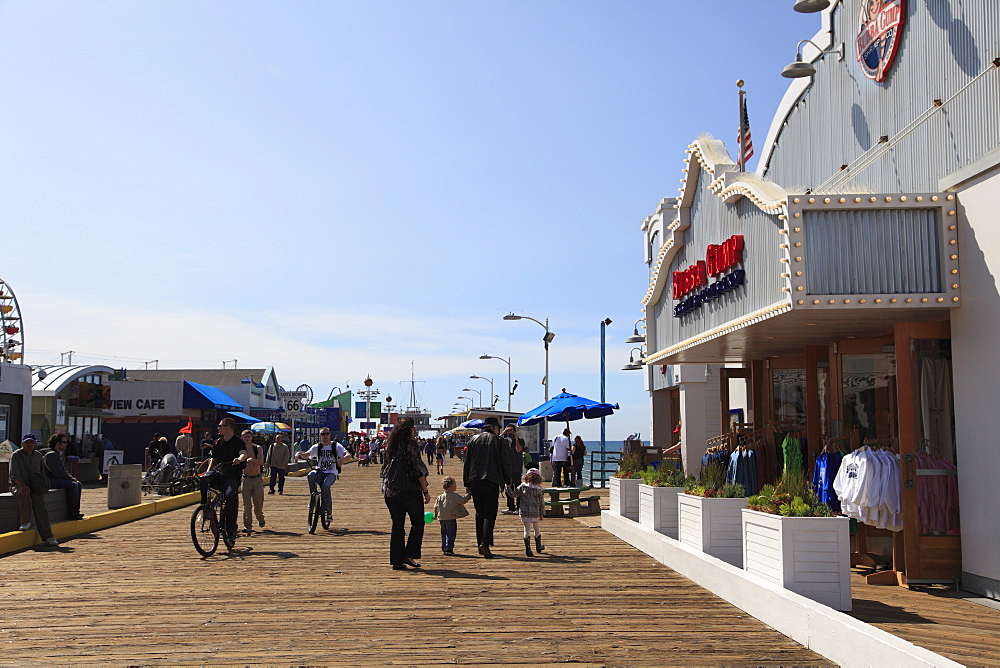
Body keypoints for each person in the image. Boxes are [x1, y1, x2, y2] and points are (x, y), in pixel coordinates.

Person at [380, 416, 430, 570]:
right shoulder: (411, 445)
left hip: (390, 490)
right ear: (410, 430)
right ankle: (409, 554)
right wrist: (425, 491)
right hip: (408, 490)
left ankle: (396, 560)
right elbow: (419, 470)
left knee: (397, 525)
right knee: (418, 522)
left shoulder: (391, 445)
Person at [462, 416, 510, 558]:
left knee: (479, 513)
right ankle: (485, 543)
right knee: (490, 513)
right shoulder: (499, 441)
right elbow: (505, 463)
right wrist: (508, 481)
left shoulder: (473, 440)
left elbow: (467, 463)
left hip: (475, 480)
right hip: (492, 480)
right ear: (495, 428)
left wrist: (466, 483)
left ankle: (480, 544)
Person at [204, 418, 250, 543]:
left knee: (230, 498)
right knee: (204, 484)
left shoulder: (238, 441)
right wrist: (208, 472)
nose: (218, 428)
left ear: (228, 427)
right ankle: (206, 510)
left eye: (220, 426)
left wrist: (239, 460)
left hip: (233, 476)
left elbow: (243, 454)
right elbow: (213, 460)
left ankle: (231, 531)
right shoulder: (218, 442)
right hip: (220, 473)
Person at [9, 434, 58, 545]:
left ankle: (48, 536)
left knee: (41, 507)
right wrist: (22, 485)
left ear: (35, 444)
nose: (29, 445)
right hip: (18, 484)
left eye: (31, 442)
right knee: (24, 493)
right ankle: (25, 522)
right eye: (27, 442)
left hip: (35, 485)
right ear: (22, 444)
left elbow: (42, 473)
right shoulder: (16, 455)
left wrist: (42, 486)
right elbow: (14, 475)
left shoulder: (38, 455)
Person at [294, 428, 346, 524]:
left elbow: (347, 454)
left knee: (325, 486)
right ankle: (313, 497)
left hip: (331, 472)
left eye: (327, 434)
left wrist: (341, 459)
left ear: (330, 435)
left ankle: (329, 512)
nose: (325, 436)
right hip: (319, 471)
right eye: (323, 434)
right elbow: (307, 454)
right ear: (320, 436)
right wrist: (298, 454)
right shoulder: (317, 446)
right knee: (310, 475)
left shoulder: (336, 446)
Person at [42, 433, 84, 521]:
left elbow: (62, 470)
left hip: (54, 479)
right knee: (73, 485)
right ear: (58, 444)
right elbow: (57, 472)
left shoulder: (57, 454)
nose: (66, 444)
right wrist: (70, 478)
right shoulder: (51, 455)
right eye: (64, 442)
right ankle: (72, 514)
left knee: (78, 484)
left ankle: (76, 511)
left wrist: (70, 477)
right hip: (48, 480)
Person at [509, 469, 546, 556]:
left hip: (524, 512)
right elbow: (542, 503)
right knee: (537, 529)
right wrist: (542, 514)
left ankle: (528, 550)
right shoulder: (539, 489)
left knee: (527, 530)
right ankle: (538, 546)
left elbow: (513, 495)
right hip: (535, 512)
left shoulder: (523, 486)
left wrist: (507, 488)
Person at [433, 476, 471, 555]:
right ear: (451, 486)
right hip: (451, 518)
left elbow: (436, 507)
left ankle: (444, 547)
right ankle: (449, 548)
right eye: (455, 484)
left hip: (442, 518)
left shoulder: (440, 497)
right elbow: (463, 500)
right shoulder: (454, 496)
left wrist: (436, 516)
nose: (456, 486)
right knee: (450, 533)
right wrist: (469, 494)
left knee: (444, 533)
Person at [240, 430, 266, 534]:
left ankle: (260, 518)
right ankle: (248, 526)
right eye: (245, 437)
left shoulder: (257, 448)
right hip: (246, 479)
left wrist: (252, 460)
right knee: (246, 505)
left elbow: (261, 462)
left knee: (258, 503)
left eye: (248, 437)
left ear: (251, 437)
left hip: (257, 479)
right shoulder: (240, 450)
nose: (247, 438)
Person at [500, 425, 523, 515]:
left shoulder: (520, 440)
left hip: (517, 468)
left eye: (511, 430)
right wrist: (504, 432)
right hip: (507, 469)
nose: (510, 432)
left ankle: (519, 507)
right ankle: (510, 507)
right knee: (508, 488)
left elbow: (518, 449)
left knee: (518, 488)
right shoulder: (506, 440)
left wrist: (516, 437)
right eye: (508, 430)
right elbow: (496, 441)